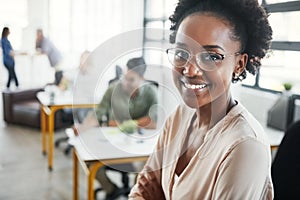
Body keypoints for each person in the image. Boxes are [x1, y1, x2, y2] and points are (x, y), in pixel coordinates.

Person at [129, 0, 273, 199]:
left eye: (211, 57)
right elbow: (144, 189)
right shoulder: (180, 116)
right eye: (181, 53)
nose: (190, 70)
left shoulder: (244, 146)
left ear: (239, 64)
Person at [75, 57, 158, 199]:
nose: (125, 83)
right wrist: (81, 128)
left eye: (131, 80)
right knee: (90, 162)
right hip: (111, 145)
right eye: (124, 78)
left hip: (137, 148)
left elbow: (152, 122)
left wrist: (129, 124)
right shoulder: (113, 89)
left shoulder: (150, 92)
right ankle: (112, 190)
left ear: (142, 78)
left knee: (149, 166)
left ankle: (135, 193)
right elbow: (97, 115)